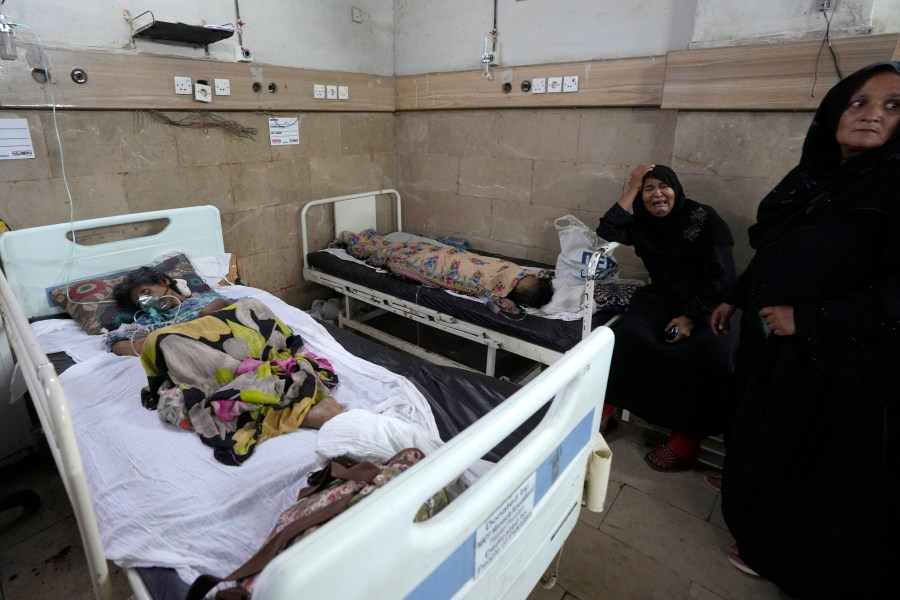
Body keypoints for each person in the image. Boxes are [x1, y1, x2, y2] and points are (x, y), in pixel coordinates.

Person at [710, 61, 900, 598]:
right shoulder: (813, 180)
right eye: (857, 101)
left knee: (813, 465)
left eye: (892, 105)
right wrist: (735, 297)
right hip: (777, 347)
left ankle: (783, 556)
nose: (870, 115)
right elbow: (778, 253)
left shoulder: (893, 184)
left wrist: (809, 318)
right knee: (765, 436)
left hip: (840, 359)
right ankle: (754, 508)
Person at [596, 164, 738, 470]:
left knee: (710, 351)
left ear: (676, 189)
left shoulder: (702, 216)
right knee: (629, 336)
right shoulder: (641, 223)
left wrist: (689, 317)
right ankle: (604, 411)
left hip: (710, 299)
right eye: (648, 189)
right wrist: (632, 188)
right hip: (661, 296)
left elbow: (724, 275)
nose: (657, 194)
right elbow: (606, 230)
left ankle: (686, 440)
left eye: (664, 186)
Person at [337, 229, 553, 312]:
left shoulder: (501, 293)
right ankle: (382, 244)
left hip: (447, 269)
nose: (528, 277)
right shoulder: (518, 272)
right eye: (531, 277)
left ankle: (367, 245)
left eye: (528, 282)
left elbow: (507, 307)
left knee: (403, 257)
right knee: (425, 250)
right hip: (453, 257)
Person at [107, 266, 234, 356]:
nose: (148, 300)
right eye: (141, 301)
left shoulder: (207, 298)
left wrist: (215, 308)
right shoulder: (150, 321)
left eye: (146, 292)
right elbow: (119, 347)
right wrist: (172, 335)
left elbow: (247, 307)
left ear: (163, 282)